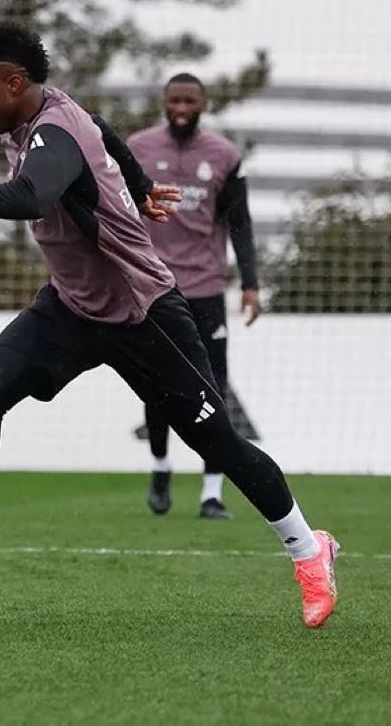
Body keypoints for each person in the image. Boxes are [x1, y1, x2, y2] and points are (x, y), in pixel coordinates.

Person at [0, 21, 339, 628]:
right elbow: (103, 128)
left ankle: (311, 553)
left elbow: (30, 198)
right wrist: (140, 182)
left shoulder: (52, 133)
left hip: (143, 311)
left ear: (14, 83)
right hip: (71, 307)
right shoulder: (48, 113)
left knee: (217, 442)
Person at [127, 72, 262, 520]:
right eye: (174, 100)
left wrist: (250, 283)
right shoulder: (139, 148)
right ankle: (161, 468)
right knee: (156, 384)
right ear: (164, 103)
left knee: (212, 386)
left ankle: (211, 492)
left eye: (189, 100)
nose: (181, 107)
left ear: (202, 105)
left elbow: (239, 223)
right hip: (153, 287)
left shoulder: (224, 155)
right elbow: (116, 207)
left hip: (205, 289)